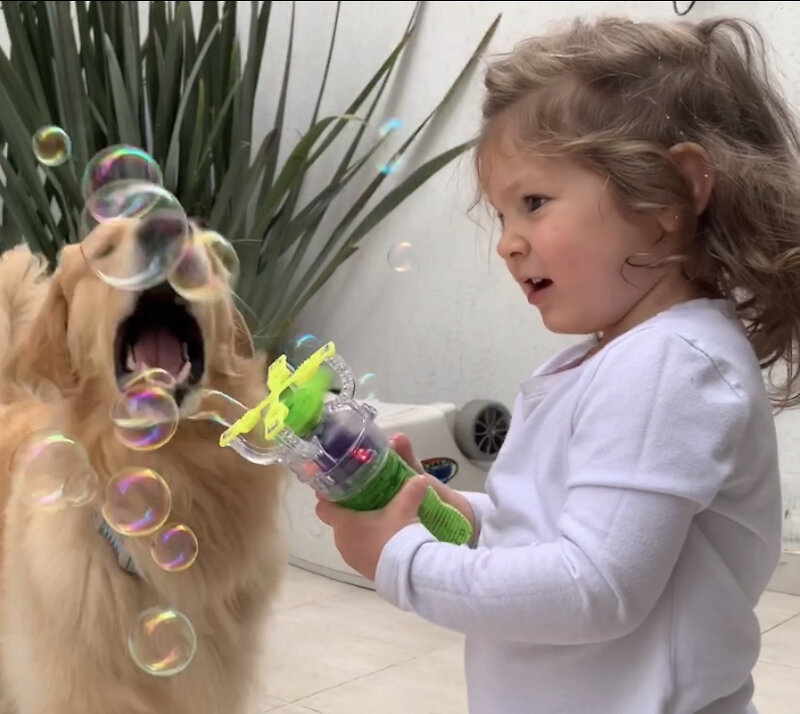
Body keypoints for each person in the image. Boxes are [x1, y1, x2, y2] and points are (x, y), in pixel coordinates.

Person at [315, 15, 800, 714]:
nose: (508, 244)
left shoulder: (669, 365)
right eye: (503, 215)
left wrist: (404, 562)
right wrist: (463, 515)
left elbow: (595, 588)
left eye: (534, 203)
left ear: (666, 196)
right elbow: (561, 527)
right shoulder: (619, 358)